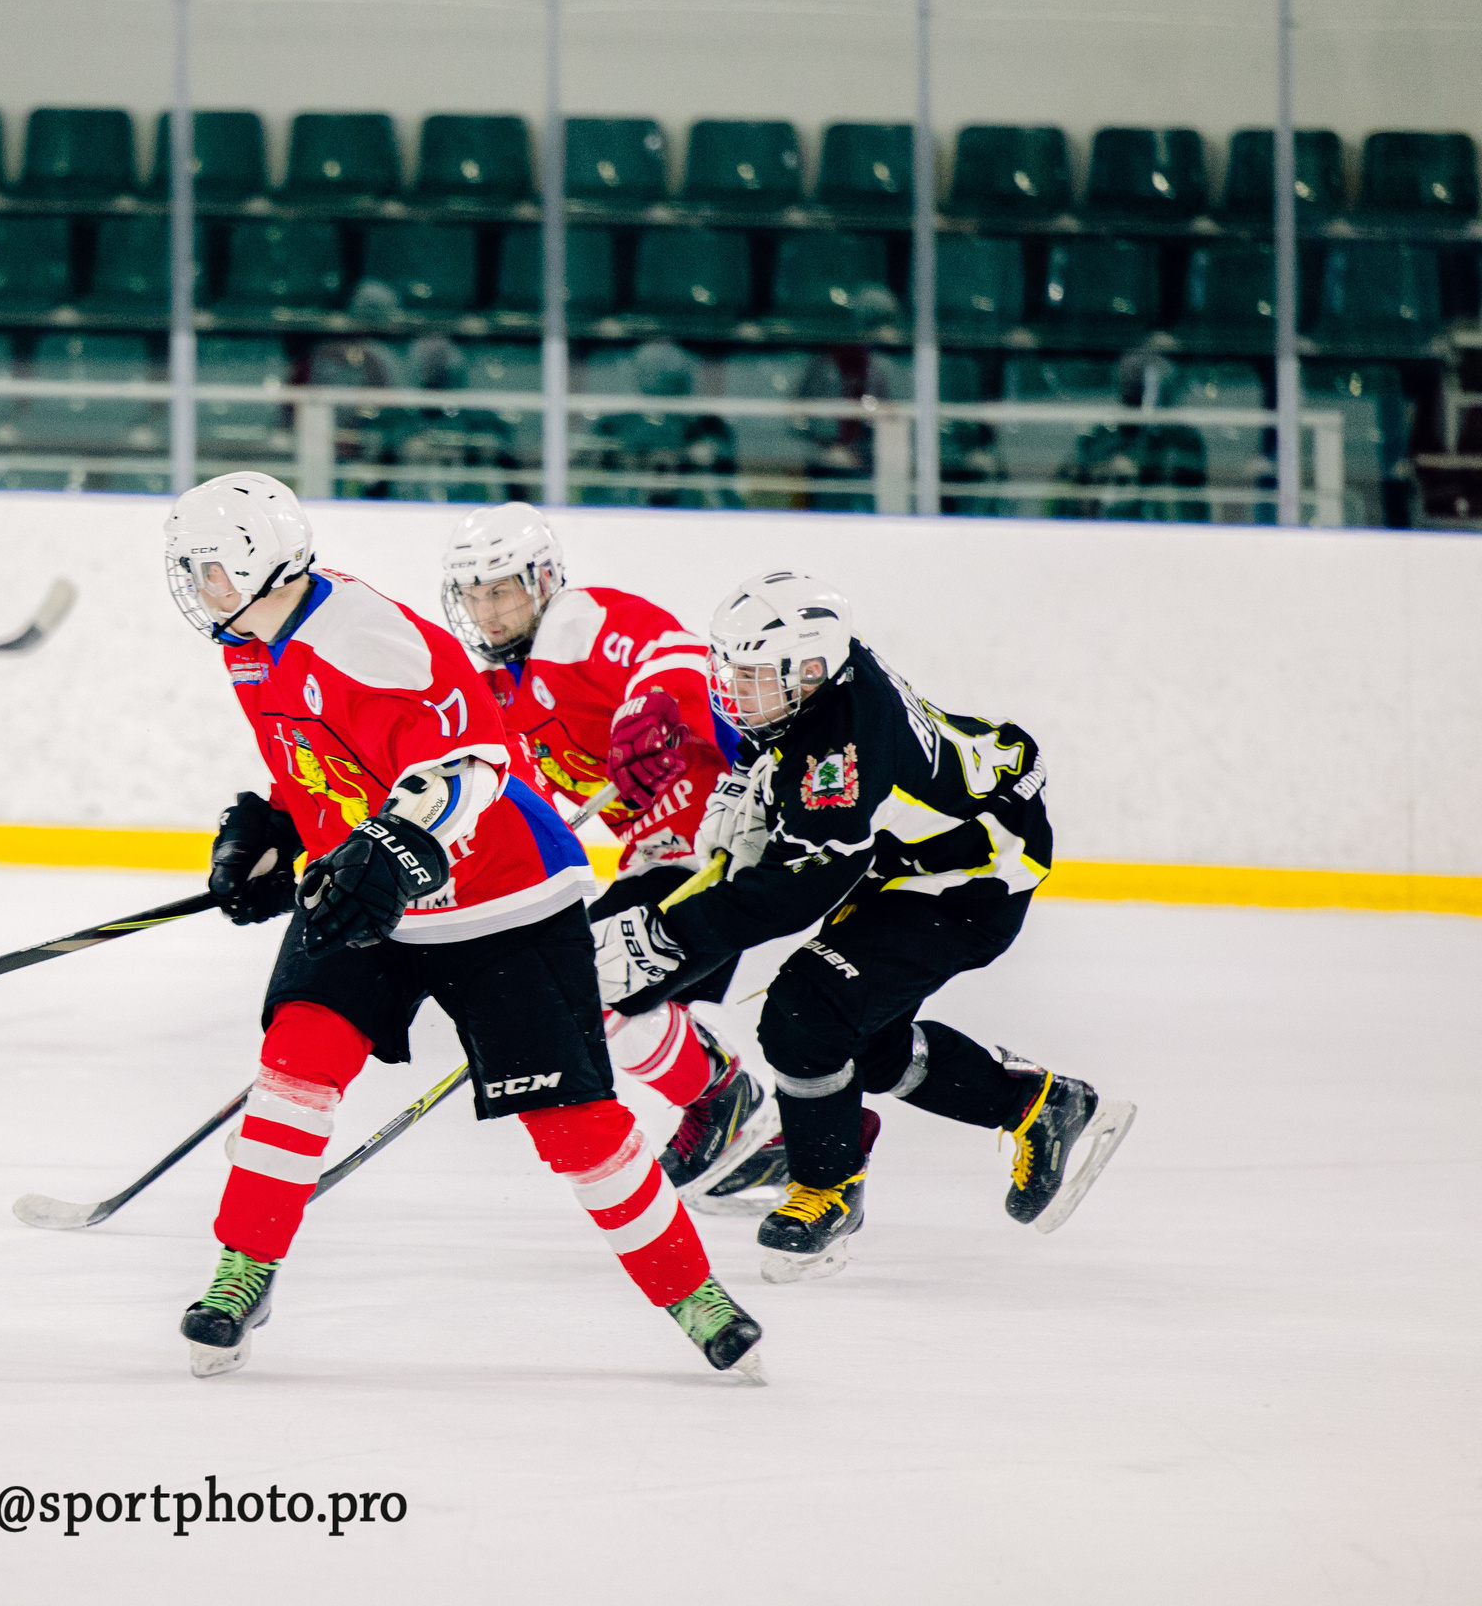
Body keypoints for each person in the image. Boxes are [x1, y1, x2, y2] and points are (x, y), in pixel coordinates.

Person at [165, 471, 766, 1383]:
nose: (197, 588)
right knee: (296, 1063)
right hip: (379, 894)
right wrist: (280, 832)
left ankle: (695, 1293)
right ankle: (243, 1269)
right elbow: (325, 762)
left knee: (575, 1126)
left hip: (505, 897)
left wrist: (394, 849)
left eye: (208, 569)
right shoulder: (248, 646)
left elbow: (472, 765)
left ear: (256, 565)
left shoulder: (363, 641)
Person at [603, 570, 1137, 1282]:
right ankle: (1040, 1105)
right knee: (862, 1042)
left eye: (754, 676)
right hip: (911, 858)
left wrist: (668, 934)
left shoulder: (842, 749)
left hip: (971, 877)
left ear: (809, 670)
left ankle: (826, 1189)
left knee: (806, 1011)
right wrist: (744, 784)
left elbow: (795, 892)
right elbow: (781, 760)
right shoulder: (820, 685)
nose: (735, 691)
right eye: (733, 670)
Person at [439, 503, 778, 1208]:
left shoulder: (578, 622)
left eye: (500, 590)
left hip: (721, 837)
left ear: (542, 580)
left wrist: (647, 707)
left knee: (586, 982)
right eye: (473, 594)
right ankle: (775, 1144)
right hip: (656, 855)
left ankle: (725, 1098)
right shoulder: (500, 691)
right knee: (579, 986)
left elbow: (681, 657)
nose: (487, 610)